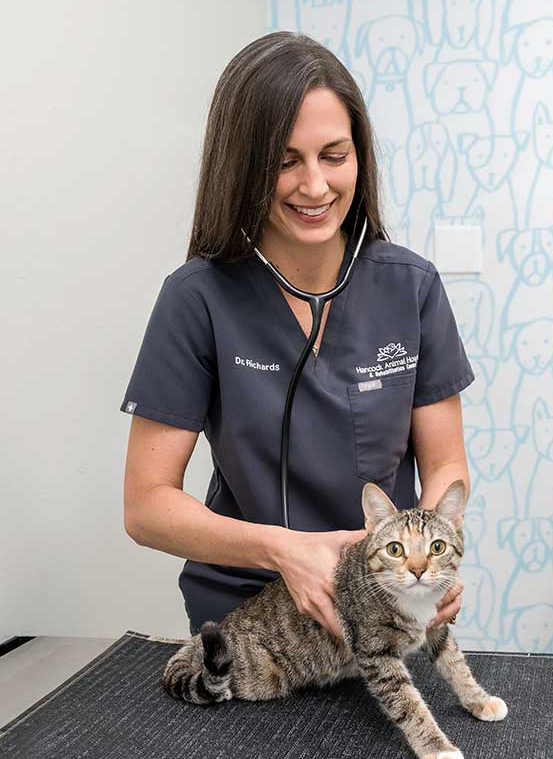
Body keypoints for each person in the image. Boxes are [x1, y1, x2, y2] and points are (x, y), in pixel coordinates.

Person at [120, 32, 473, 639]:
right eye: (286, 161)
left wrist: (430, 560)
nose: (315, 186)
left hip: (381, 616)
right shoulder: (197, 299)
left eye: (334, 156)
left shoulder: (410, 287)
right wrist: (281, 550)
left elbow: (445, 464)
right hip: (248, 625)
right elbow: (146, 505)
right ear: (243, 167)